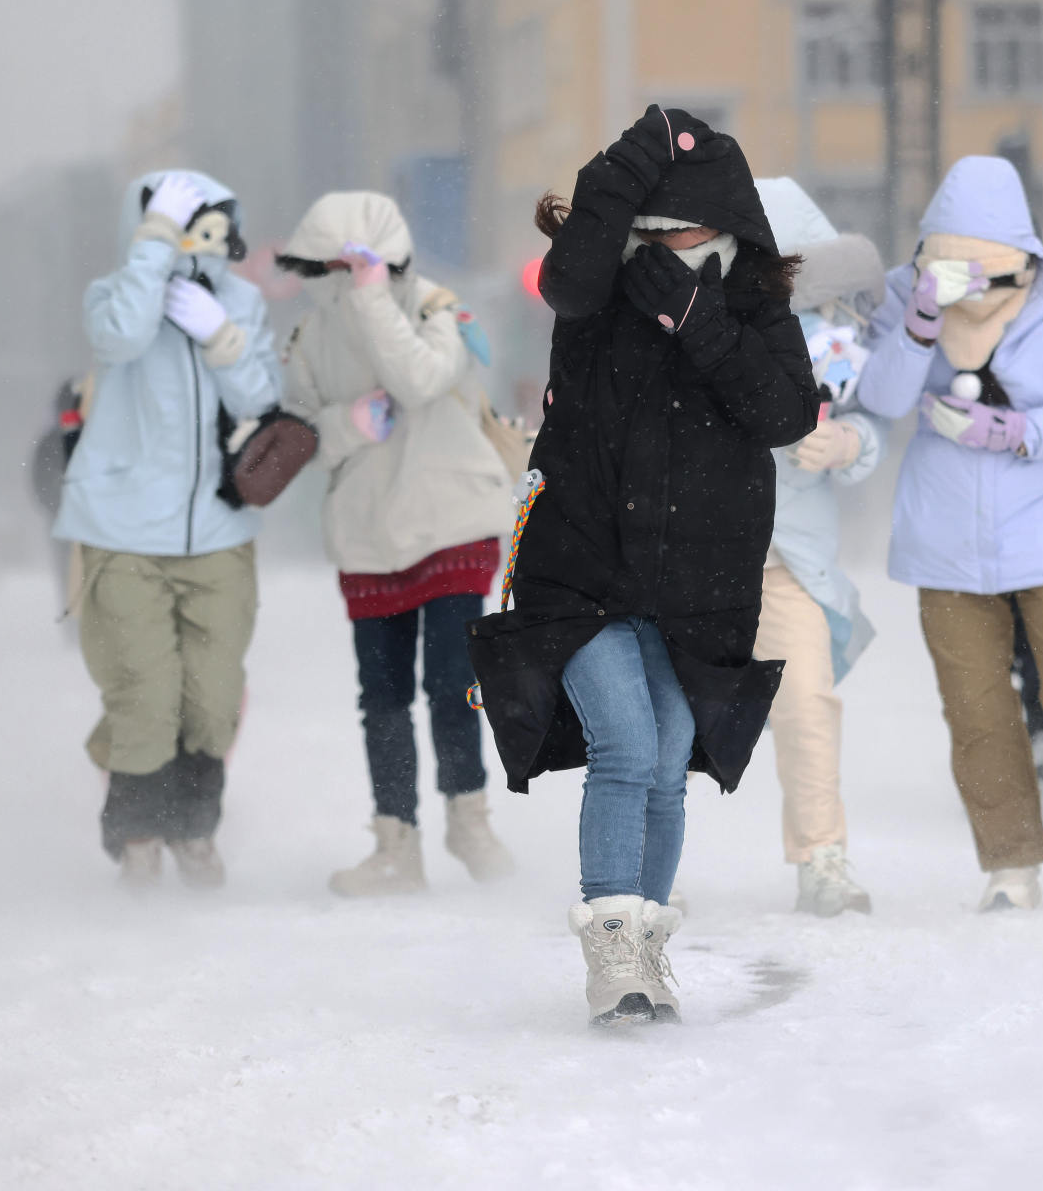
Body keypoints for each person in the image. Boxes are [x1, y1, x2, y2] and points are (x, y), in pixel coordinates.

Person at [466, 106, 816, 1026]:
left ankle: (647, 949)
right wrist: (641, 149)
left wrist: (699, 319)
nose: (654, 249)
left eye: (677, 233)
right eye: (641, 232)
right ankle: (612, 952)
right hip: (580, 563)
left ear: (728, 231)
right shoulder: (595, 297)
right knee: (624, 746)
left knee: (666, 759)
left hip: (695, 580)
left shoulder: (751, 307)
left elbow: (784, 416)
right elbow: (570, 274)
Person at [858, 155, 1043, 913]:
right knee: (975, 711)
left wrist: (1018, 431)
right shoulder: (903, 294)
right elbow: (884, 399)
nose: (972, 285)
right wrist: (919, 322)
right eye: (951, 264)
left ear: (1023, 255)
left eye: (988, 267)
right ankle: (1009, 864)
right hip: (944, 541)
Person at [278, 191, 517, 895]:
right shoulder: (308, 335)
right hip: (367, 532)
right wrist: (347, 425)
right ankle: (396, 846)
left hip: (450, 518)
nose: (338, 277)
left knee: (453, 681)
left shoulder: (436, 308)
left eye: (351, 262)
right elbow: (296, 436)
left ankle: (469, 823)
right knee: (380, 695)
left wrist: (375, 299)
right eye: (327, 265)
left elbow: (418, 380)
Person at [55, 170, 282, 887]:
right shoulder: (116, 292)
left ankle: (193, 824)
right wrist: (151, 248)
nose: (194, 240)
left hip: (218, 529)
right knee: (145, 694)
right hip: (122, 528)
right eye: (175, 224)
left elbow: (261, 396)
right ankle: (141, 838)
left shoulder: (240, 300)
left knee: (211, 700)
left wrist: (220, 335)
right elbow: (118, 338)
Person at [751, 176, 890, 916]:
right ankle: (646, 865)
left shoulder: (836, 332)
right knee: (668, 713)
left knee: (806, 703)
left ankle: (822, 856)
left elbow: (869, 419)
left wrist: (845, 442)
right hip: (689, 559)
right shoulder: (692, 326)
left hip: (790, 558)